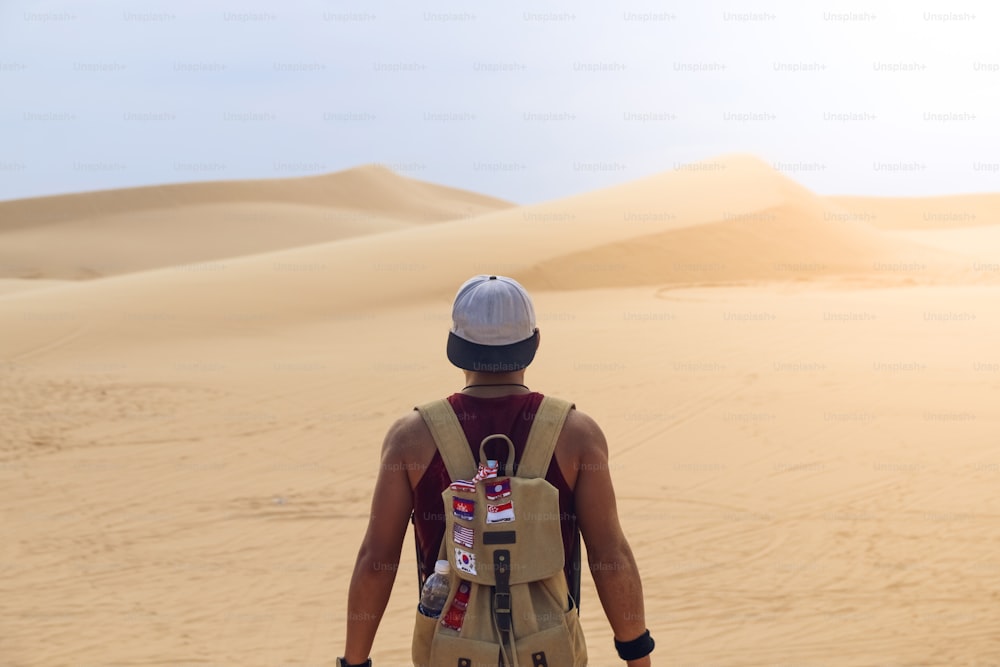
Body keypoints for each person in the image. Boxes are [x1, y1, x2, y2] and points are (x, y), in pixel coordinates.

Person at [340, 275, 654, 667]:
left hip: (450, 653)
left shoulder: (411, 437)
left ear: (453, 347)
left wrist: (354, 662)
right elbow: (611, 557)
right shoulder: (576, 435)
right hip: (550, 651)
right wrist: (638, 658)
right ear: (535, 343)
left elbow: (376, 560)